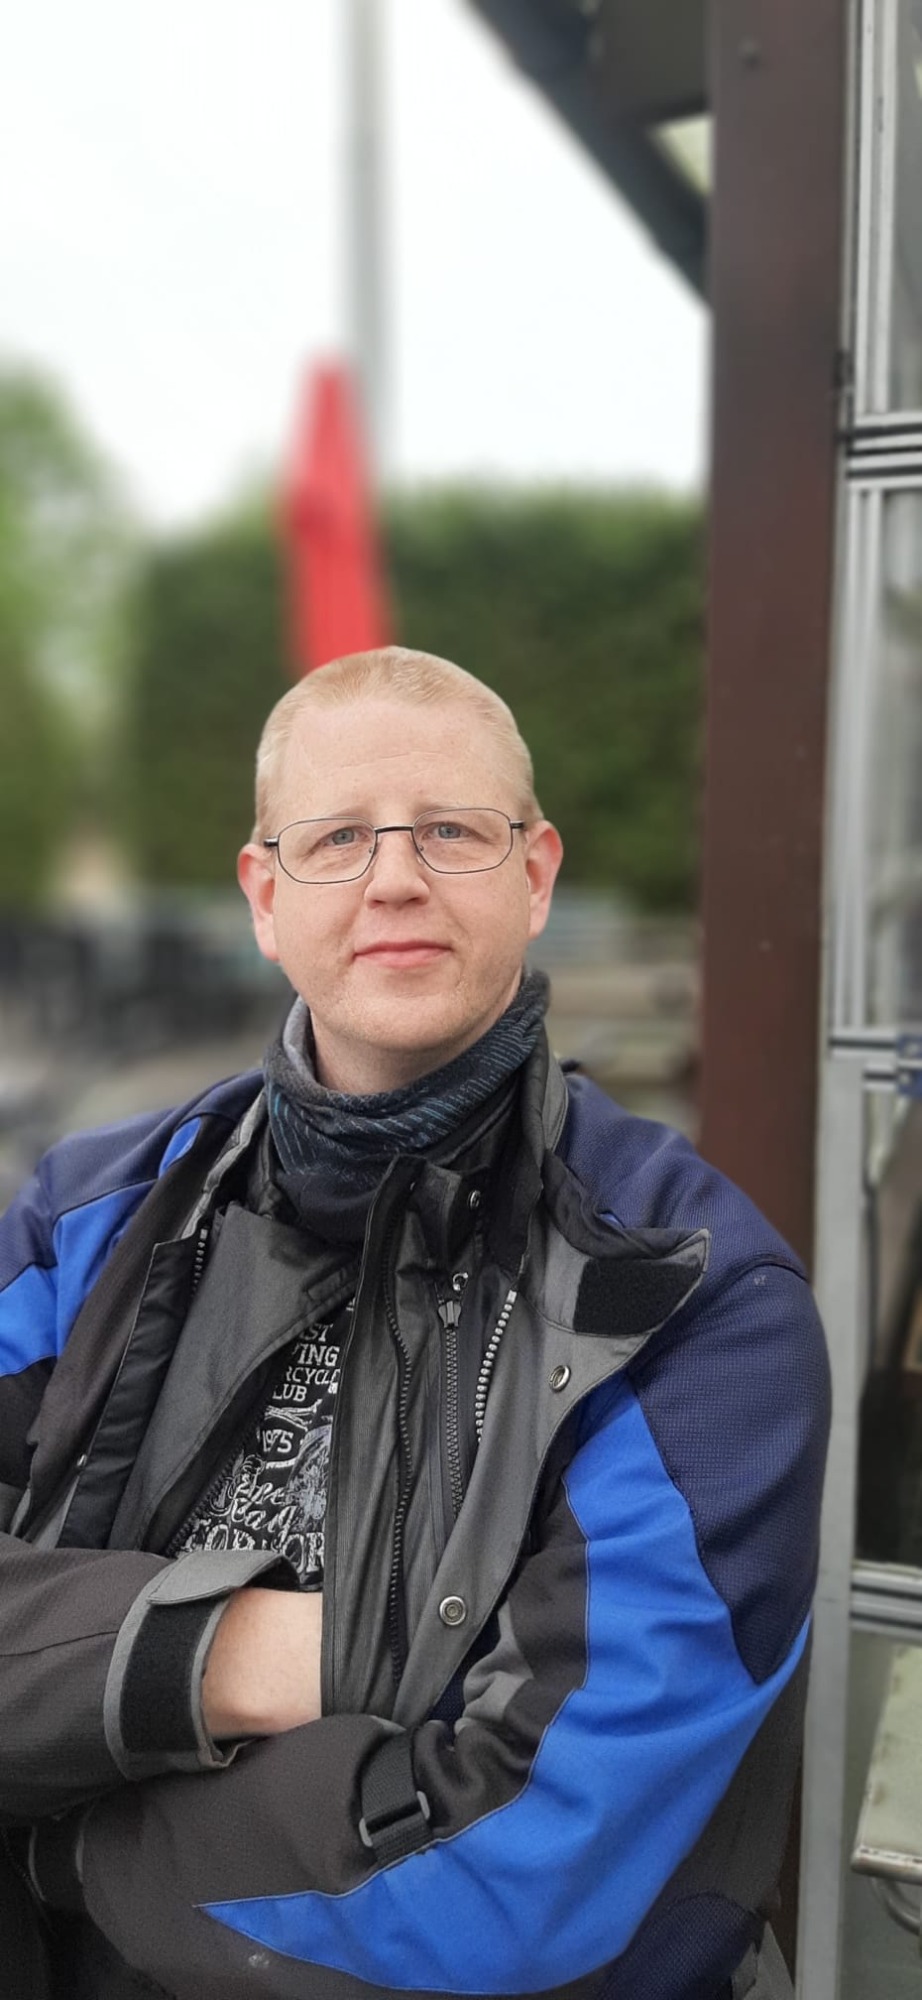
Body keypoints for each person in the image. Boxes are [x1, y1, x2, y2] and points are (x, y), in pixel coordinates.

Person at [0, 647, 829, 2000]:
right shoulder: (81, 1217)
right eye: (336, 838)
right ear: (264, 898)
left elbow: (530, 1876)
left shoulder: (692, 1298)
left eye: (451, 830)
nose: (394, 878)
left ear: (535, 876)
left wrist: (60, 1841)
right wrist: (234, 1652)